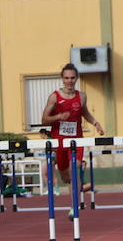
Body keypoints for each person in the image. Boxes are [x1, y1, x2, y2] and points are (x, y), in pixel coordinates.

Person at [41, 63, 105, 193]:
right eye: (66, 78)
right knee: (66, 177)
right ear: (62, 79)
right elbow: (44, 120)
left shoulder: (82, 96)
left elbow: (84, 112)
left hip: (76, 139)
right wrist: (59, 116)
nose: (69, 81)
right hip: (59, 141)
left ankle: (75, 203)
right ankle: (72, 194)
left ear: (76, 78)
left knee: (74, 168)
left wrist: (95, 123)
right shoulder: (54, 97)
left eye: (72, 78)